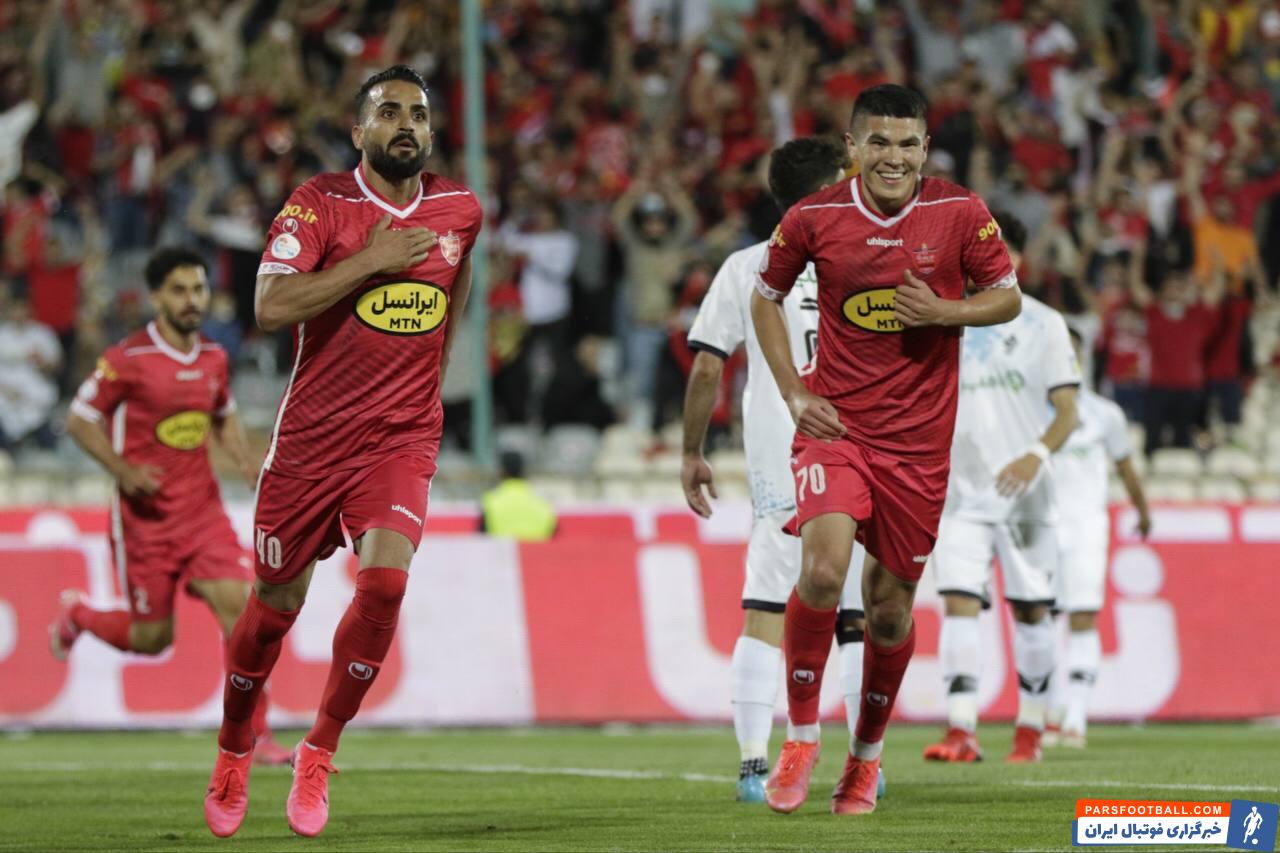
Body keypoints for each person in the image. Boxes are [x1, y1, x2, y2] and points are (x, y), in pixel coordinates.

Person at [202, 65, 483, 839]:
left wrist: (429, 378)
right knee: (272, 611)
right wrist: (369, 262)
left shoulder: (460, 209)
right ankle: (233, 747)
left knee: (384, 583)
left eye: (417, 114)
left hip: (400, 436)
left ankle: (319, 749)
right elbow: (269, 306)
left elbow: (455, 286)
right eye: (387, 112)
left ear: (431, 131)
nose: (405, 124)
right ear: (358, 131)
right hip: (311, 444)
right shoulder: (319, 203)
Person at [751, 84, 1021, 816]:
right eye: (878, 142)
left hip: (919, 446)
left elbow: (1008, 295)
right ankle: (801, 737)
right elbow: (764, 298)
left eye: (907, 144)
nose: (893, 157)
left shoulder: (959, 211)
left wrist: (946, 311)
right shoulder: (814, 217)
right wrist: (793, 392)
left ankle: (864, 759)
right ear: (853, 147)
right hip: (836, 428)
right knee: (822, 570)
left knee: (891, 612)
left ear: (925, 149)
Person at [683, 137, 881, 804]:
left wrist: (692, 451)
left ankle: (751, 766)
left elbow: (707, 365)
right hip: (856, 455)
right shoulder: (866, 260)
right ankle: (863, 766)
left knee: (767, 608)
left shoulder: (746, 267)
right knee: (853, 613)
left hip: (781, 462)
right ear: (824, 190)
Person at [48, 248, 288, 766]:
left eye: (198, 289)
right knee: (152, 639)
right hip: (146, 522)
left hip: (202, 514)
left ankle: (256, 735)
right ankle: (79, 614)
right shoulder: (127, 359)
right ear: (156, 296)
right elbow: (80, 419)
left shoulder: (214, 358)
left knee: (244, 615)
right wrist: (123, 469)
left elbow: (223, 413)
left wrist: (243, 460)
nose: (191, 300)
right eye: (179, 291)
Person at [922, 212, 1080, 765]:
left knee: (1032, 612)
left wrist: (1036, 455)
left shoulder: (1045, 324)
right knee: (958, 603)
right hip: (960, 493)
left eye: (1002, 250)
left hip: (1026, 493)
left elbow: (1067, 410)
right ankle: (961, 729)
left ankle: (1030, 730)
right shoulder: (943, 319)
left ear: (1018, 258)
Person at [1044, 327, 1151, 749]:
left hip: (1087, 526)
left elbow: (1125, 467)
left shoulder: (1105, 414)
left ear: (1083, 357)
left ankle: (1076, 716)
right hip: (1041, 527)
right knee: (1040, 620)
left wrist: (1143, 511)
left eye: (1072, 351)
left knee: (1082, 617)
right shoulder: (1029, 409)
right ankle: (1049, 712)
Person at [480, 451, 557, 541]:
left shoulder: (490, 501)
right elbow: (556, 541)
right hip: (537, 550)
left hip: (503, 549)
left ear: (501, 471)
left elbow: (481, 541)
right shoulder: (542, 502)